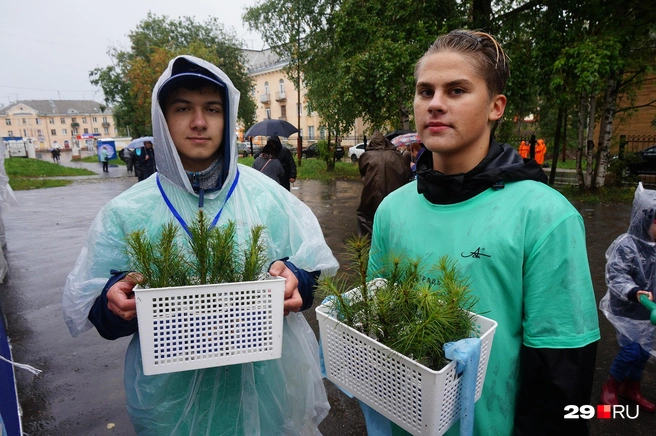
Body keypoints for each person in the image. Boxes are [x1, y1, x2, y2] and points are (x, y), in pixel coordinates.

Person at [62, 55, 339, 435]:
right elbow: (98, 312)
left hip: (266, 396)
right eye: (182, 108)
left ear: (227, 118)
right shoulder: (126, 212)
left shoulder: (267, 197)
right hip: (171, 407)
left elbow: (313, 272)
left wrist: (297, 282)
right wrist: (114, 302)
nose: (198, 121)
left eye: (212, 108)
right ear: (163, 118)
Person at [362, 30, 600, 435]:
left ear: (495, 106)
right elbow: (377, 329)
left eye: (456, 90)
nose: (435, 104)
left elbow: (561, 373)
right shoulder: (392, 209)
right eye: (425, 91)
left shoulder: (544, 215)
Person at [599, 182, 656, 412]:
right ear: (645, 220)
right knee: (632, 349)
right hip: (628, 310)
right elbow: (616, 275)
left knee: (643, 352)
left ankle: (632, 387)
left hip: (649, 313)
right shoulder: (626, 245)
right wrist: (634, 292)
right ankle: (611, 385)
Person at [356, 131, 411, 237]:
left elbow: (362, 172)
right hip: (393, 192)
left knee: (365, 215)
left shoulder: (366, 156)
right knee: (392, 217)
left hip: (371, 192)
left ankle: (370, 242)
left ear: (371, 143)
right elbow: (405, 173)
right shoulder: (396, 155)